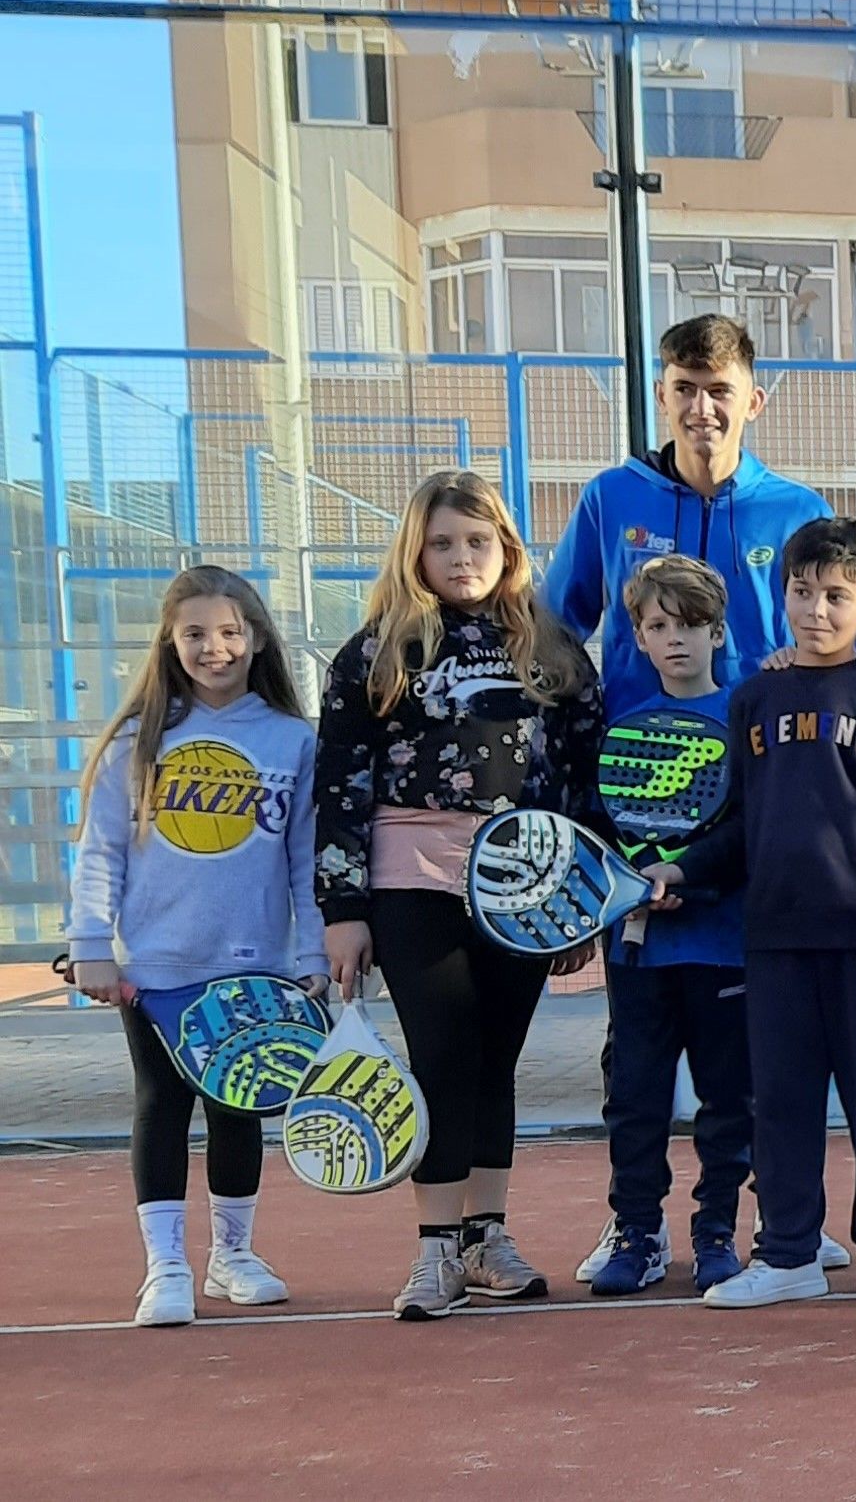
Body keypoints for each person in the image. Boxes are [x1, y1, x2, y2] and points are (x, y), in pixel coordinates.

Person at [315, 470, 604, 1320]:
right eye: (442, 542)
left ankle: (488, 1236)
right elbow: (340, 785)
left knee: (496, 1059)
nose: (461, 557)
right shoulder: (375, 652)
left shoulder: (549, 648)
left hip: (526, 876)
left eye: (477, 541)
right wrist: (344, 910)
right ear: (417, 551)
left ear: (505, 548)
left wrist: (583, 894)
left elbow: (585, 777)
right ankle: (435, 1247)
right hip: (415, 875)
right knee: (441, 1053)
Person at [66, 566, 323, 1327]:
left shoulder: (291, 739)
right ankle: (166, 1264)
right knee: (163, 1105)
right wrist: (90, 943)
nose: (216, 648)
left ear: (258, 638)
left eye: (232, 631)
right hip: (155, 966)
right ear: (170, 643)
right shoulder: (138, 739)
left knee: (236, 1110)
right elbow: (101, 851)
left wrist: (310, 954)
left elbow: (305, 859)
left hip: (254, 967)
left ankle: (232, 1254)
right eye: (196, 634)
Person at [702, 518, 856, 1309]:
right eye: (802, 592)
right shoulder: (754, 697)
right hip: (774, 942)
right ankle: (787, 1252)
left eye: (836, 595)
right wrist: (682, 868)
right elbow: (738, 822)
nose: (816, 609)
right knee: (782, 1105)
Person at [546, 313, 856, 723]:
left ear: (754, 402)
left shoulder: (798, 510)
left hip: (767, 749)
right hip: (641, 753)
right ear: (662, 396)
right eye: (685, 389)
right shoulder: (611, 497)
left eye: (719, 391)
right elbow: (551, 630)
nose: (701, 408)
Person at [585, 554, 757, 1297]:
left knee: (728, 1096)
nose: (676, 639)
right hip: (636, 954)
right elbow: (595, 827)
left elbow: (755, 828)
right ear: (640, 638)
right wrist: (633, 884)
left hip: (723, 947)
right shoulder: (617, 720)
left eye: (690, 625)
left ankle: (715, 1228)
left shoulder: (746, 717)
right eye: (659, 626)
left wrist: (688, 875)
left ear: (718, 631)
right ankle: (637, 1231)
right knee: (636, 1096)